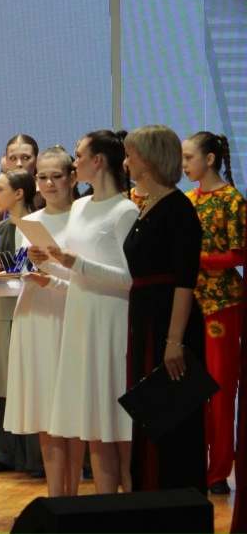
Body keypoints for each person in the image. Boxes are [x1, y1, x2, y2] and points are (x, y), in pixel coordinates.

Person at [42, 130, 138, 494]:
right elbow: (76, 274)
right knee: (94, 423)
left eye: (79, 155)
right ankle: (103, 506)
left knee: (117, 421)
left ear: (98, 161)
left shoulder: (125, 210)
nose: (74, 162)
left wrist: (75, 263)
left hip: (111, 321)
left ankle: (132, 503)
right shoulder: (81, 206)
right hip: (80, 319)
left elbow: (130, 278)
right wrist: (50, 267)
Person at [122, 125, 205, 492]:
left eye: (131, 155)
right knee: (149, 418)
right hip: (146, 319)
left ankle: (173, 504)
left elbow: (185, 280)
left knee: (171, 423)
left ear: (149, 159)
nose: (126, 162)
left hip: (167, 322)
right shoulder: (149, 206)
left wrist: (174, 340)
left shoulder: (178, 208)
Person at [0, 147, 78, 496]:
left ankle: (72, 495)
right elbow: (22, 278)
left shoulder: (82, 216)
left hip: (69, 314)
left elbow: (89, 276)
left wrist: (54, 274)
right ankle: (55, 494)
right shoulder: (30, 222)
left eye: (56, 176)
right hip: (34, 313)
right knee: (45, 409)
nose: (48, 183)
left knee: (71, 408)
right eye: (42, 177)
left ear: (72, 177)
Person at [182, 131, 244, 495]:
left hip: (222, 303)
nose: (184, 165)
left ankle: (219, 470)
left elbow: (239, 254)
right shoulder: (188, 200)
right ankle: (194, 464)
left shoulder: (232, 200)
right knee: (193, 387)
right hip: (189, 302)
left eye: (189, 157)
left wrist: (198, 260)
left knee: (220, 389)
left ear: (209, 159)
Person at [0, 168, 40, 475]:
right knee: (3, 380)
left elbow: (32, 271)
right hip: (4, 308)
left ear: (19, 193)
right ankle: (5, 453)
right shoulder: (0, 228)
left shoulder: (37, 226)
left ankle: (36, 458)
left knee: (28, 381)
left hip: (30, 310)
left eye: (0, 188)